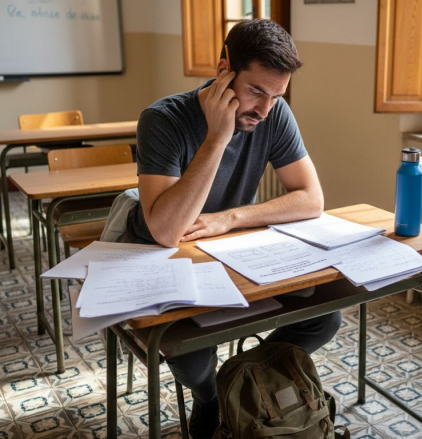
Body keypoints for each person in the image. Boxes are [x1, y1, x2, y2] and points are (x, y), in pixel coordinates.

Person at [126, 20, 342, 438]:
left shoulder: (273, 113)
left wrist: (232, 217)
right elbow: (166, 230)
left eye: (276, 96)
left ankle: (239, 378)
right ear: (223, 68)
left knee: (325, 318)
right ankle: (210, 397)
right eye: (256, 91)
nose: (263, 110)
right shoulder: (163, 119)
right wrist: (218, 138)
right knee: (188, 353)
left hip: (230, 248)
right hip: (167, 254)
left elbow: (310, 197)